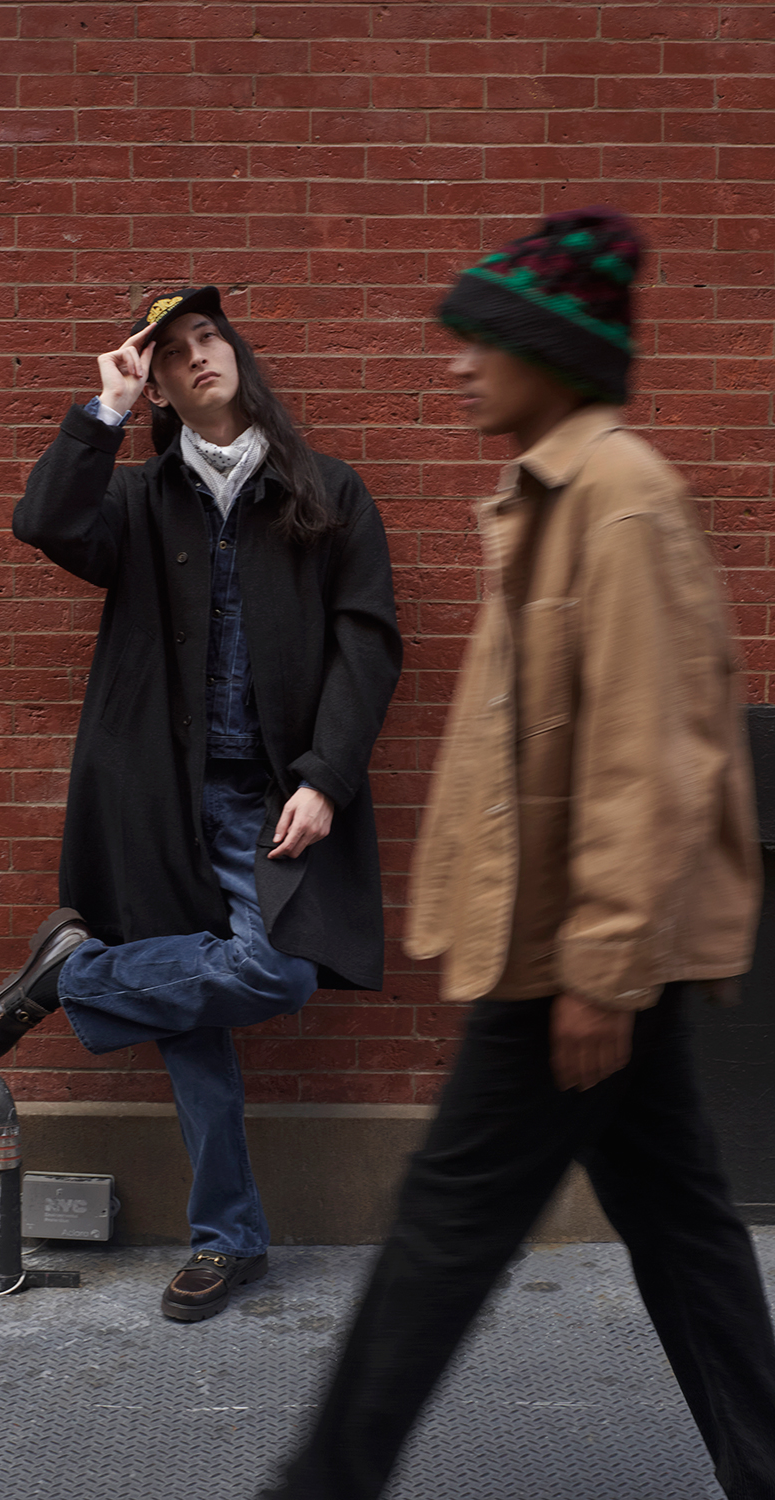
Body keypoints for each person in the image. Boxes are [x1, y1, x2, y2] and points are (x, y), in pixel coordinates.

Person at [261, 209, 775, 1498]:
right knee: (681, 1227)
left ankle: (323, 1483)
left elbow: (652, 758)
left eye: (482, 339)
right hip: (571, 945)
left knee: (445, 1227)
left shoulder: (618, 501)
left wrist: (600, 967)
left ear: (553, 355)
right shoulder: (557, 496)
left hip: (565, 958)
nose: (457, 362)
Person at [0, 286, 402, 1323]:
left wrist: (326, 776)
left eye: (210, 337)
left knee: (275, 972)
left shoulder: (324, 490)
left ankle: (79, 975)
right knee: (192, 1023)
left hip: (269, 797)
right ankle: (227, 1240)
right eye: (173, 351)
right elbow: (43, 521)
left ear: (236, 355)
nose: (199, 354)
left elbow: (368, 640)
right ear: (158, 384)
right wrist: (104, 411)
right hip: (158, 799)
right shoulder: (137, 499)